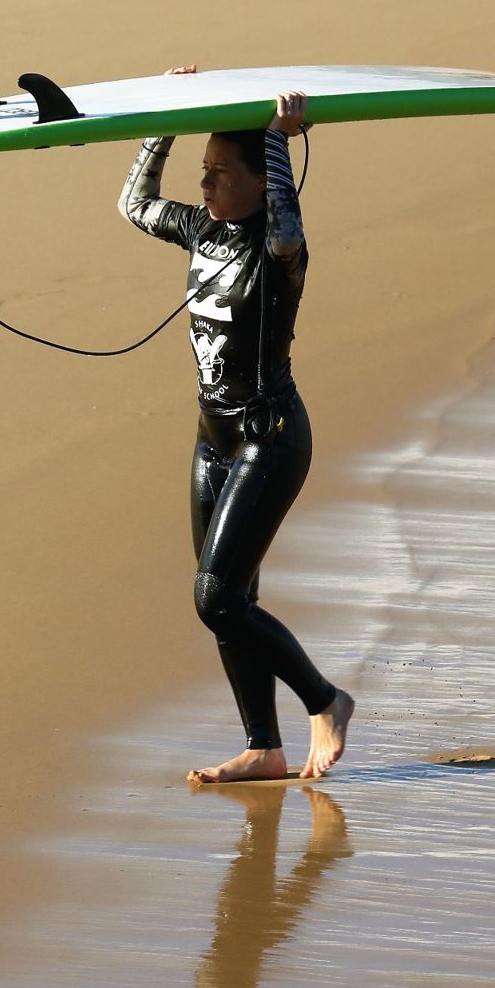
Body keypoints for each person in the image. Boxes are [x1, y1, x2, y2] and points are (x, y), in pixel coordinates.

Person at [119, 66, 355, 783]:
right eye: (203, 169)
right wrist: (163, 117)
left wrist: (280, 142)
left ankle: (325, 698)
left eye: (221, 172)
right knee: (231, 603)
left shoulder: (278, 251)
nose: (205, 184)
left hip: (270, 437)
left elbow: (286, 223)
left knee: (214, 596)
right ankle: (263, 747)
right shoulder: (199, 229)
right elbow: (135, 204)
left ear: (257, 181)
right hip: (212, 439)